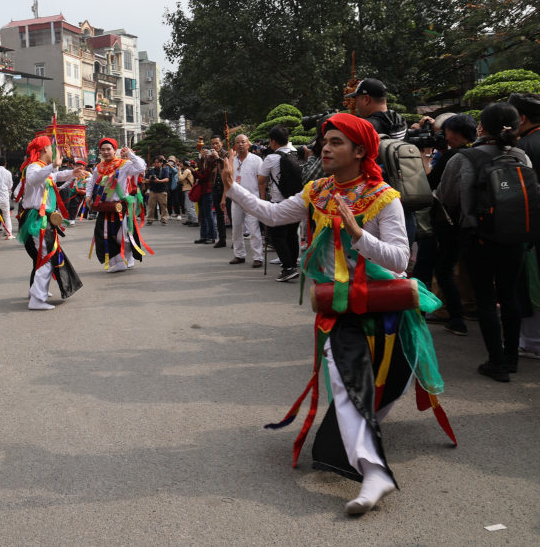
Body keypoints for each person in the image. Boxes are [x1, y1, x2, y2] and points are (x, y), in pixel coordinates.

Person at [222, 113, 453, 515]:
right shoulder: (318, 191)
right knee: (345, 378)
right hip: (340, 306)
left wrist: (361, 236)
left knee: (386, 385)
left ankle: (360, 443)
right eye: (324, 141)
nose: (325, 148)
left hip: (383, 306)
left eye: (336, 142)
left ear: (360, 150)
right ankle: (373, 470)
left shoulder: (383, 196)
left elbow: (400, 258)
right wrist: (232, 190)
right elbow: (275, 214)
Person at [437, 101, 529, 382]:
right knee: (509, 295)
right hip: (515, 236)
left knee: (486, 299)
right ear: (516, 126)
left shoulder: (464, 158)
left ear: (481, 126)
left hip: (477, 237)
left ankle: (497, 363)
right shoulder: (521, 156)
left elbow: (446, 196)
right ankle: (512, 358)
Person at [419, 114, 477, 336]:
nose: (444, 137)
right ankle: (457, 320)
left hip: (445, 225)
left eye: (446, 132)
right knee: (445, 271)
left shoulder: (454, 155)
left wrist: (425, 156)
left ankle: (418, 318)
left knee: (428, 269)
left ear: (458, 132)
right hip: (467, 225)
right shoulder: (477, 152)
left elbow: (430, 185)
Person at [15, 136, 87, 310]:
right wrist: (53, 165)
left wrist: (71, 173)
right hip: (37, 219)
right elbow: (34, 179)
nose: (55, 151)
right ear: (46, 149)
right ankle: (37, 299)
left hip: (42, 218)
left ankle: (37, 292)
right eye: (52, 147)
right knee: (47, 257)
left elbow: (53, 177)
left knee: (45, 256)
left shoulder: (40, 168)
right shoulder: (34, 167)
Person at [85, 138, 150, 272]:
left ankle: (128, 256)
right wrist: (88, 196)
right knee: (105, 235)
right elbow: (91, 182)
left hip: (121, 206)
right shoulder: (99, 167)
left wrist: (131, 154)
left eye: (108, 149)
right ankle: (119, 262)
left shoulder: (124, 165)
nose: (106, 152)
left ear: (115, 150)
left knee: (123, 236)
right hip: (105, 206)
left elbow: (141, 167)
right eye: (103, 150)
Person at [510, 93, 540, 360]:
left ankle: (532, 342)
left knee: (531, 285)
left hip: (533, 228)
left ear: (521, 118)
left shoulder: (525, 149)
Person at [258, 125, 301, 282]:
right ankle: (292, 264)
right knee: (292, 234)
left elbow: (261, 180)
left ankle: (288, 268)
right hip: (297, 201)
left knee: (277, 235)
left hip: (279, 202)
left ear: (273, 142)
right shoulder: (297, 153)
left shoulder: (271, 158)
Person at [228, 134, 264, 267]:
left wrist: (262, 199)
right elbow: (228, 180)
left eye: (243, 142)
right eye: (237, 142)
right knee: (236, 228)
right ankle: (239, 255)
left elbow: (262, 182)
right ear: (235, 145)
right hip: (236, 200)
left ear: (249, 144)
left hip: (252, 200)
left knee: (254, 229)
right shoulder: (232, 160)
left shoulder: (256, 160)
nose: (240, 144)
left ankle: (258, 257)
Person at [146, 156, 170, 224]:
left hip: (162, 191)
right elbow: (146, 181)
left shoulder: (164, 170)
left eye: (158, 162)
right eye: (155, 162)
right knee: (151, 206)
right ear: (153, 163)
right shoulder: (151, 171)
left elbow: (167, 179)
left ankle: (164, 219)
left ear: (161, 163)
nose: (156, 164)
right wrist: (150, 179)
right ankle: (150, 220)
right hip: (153, 191)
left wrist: (159, 181)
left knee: (163, 206)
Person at [178, 160, 197, 225]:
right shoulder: (187, 170)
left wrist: (179, 171)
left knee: (190, 206)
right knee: (187, 206)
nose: (180, 165)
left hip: (188, 189)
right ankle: (189, 220)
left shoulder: (187, 171)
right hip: (187, 189)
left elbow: (181, 178)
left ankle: (195, 220)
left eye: (181, 164)